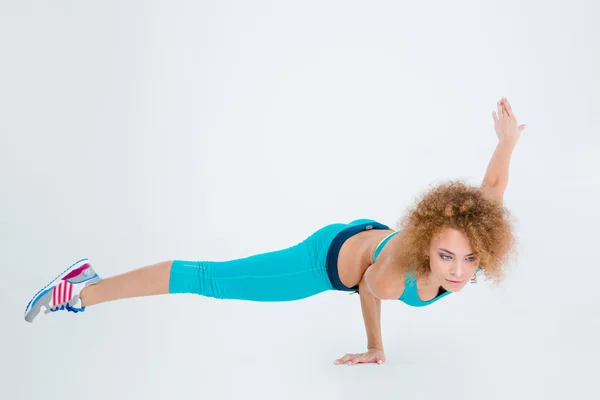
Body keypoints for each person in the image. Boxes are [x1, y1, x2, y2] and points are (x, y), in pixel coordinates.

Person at [23, 97, 525, 366]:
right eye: (446, 258)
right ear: (425, 246)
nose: (459, 271)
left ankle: (85, 283)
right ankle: (80, 290)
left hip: (363, 236)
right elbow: (369, 290)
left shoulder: (465, 235)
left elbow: (493, 186)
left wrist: (505, 142)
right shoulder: (396, 276)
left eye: (469, 260)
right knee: (211, 279)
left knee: (215, 280)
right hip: (324, 260)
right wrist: (375, 340)